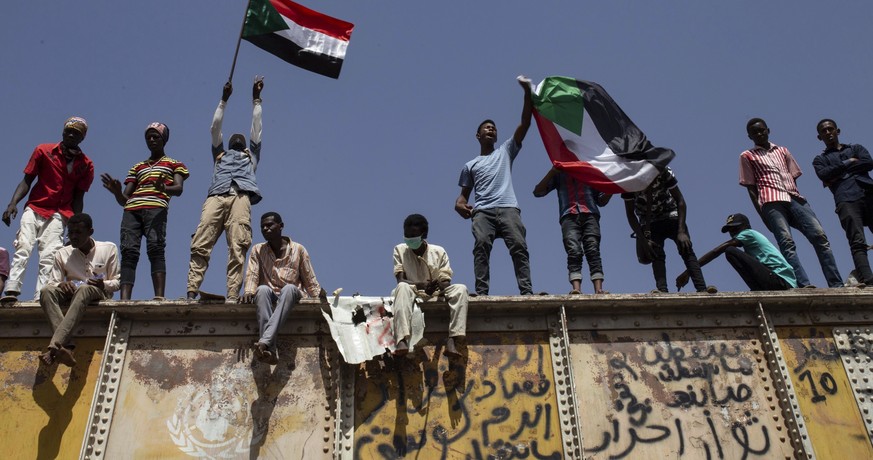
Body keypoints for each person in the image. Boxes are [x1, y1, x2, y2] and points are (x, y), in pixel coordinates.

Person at [455, 76, 534, 296]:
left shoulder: (506, 152)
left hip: (508, 207)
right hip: (483, 212)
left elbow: (525, 123)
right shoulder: (470, 165)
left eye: (494, 128)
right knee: (481, 247)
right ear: (478, 135)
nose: (491, 130)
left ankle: (527, 292)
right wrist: (460, 205)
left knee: (519, 247)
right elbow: (462, 197)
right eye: (487, 128)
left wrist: (527, 92)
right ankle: (482, 293)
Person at [740, 118, 842, 288]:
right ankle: (803, 284)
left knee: (820, 236)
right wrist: (762, 213)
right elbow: (751, 188)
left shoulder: (783, 150)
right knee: (787, 243)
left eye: (762, 130)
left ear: (768, 130)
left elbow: (792, 175)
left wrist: (795, 197)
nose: (759, 134)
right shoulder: (747, 156)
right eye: (755, 132)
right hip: (771, 200)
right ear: (749, 136)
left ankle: (836, 283)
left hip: (794, 197)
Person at [188, 79, 264, 302]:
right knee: (202, 241)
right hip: (216, 196)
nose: (239, 139)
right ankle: (192, 290)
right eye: (234, 139)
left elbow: (257, 127)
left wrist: (256, 100)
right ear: (228, 143)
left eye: (241, 139)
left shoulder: (251, 156)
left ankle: (232, 294)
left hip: (240, 197)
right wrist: (224, 100)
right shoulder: (219, 155)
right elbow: (215, 127)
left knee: (237, 246)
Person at [2, 117, 95, 301]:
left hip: (60, 215)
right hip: (36, 207)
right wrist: (13, 203)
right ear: (62, 132)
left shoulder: (85, 165)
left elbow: (78, 197)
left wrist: (75, 227)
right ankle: (12, 289)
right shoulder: (44, 151)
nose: (70, 135)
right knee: (23, 247)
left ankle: (40, 296)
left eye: (76, 133)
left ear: (82, 138)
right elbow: (27, 180)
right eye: (68, 131)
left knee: (50, 256)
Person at [101, 122, 188, 300]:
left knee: (155, 248)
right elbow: (125, 199)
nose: (151, 139)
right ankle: (124, 299)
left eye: (155, 136)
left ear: (163, 139)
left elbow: (178, 189)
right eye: (148, 137)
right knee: (128, 252)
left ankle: (159, 296)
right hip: (131, 210)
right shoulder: (138, 167)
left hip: (156, 208)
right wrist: (117, 192)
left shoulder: (174, 164)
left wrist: (163, 187)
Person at [241, 212, 325, 364]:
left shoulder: (298, 249)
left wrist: (320, 298)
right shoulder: (258, 250)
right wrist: (248, 291)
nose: (265, 229)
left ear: (281, 226)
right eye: (262, 227)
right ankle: (268, 349)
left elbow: (309, 278)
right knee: (262, 290)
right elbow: (252, 274)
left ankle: (264, 341)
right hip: (271, 294)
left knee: (289, 288)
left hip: (292, 295)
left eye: (269, 225)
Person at [38, 213, 120, 366]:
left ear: (90, 232)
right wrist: (61, 285)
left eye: (78, 233)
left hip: (98, 292)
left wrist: (103, 284)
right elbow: (52, 282)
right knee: (45, 292)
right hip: (72, 294)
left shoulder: (109, 249)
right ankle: (66, 346)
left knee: (84, 288)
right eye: (70, 233)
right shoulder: (63, 253)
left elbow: (117, 282)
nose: (73, 237)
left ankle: (53, 349)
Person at [623, 167, 715, 293]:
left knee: (686, 248)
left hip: (671, 214)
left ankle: (702, 289)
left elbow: (680, 200)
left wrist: (681, 231)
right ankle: (662, 290)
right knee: (656, 253)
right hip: (649, 222)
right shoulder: (627, 180)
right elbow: (630, 214)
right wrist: (644, 240)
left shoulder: (663, 170)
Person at [392, 214, 469, 356]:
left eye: (413, 236)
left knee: (461, 289)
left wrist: (438, 285)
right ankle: (401, 340)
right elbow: (401, 279)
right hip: (412, 291)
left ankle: (452, 339)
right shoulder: (399, 250)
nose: (409, 240)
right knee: (401, 287)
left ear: (424, 235)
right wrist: (421, 285)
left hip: (436, 292)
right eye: (407, 236)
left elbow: (446, 281)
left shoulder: (439, 251)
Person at [812, 119, 873, 286]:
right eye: (824, 131)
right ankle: (869, 280)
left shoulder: (856, 148)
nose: (828, 133)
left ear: (837, 131)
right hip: (846, 199)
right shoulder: (819, 160)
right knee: (857, 241)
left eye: (830, 129)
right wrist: (849, 162)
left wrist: (838, 174)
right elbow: (824, 174)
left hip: (868, 193)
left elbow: (868, 162)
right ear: (819, 137)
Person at [533, 167, 611, 294]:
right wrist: (552, 172)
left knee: (593, 249)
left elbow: (601, 200)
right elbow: (538, 191)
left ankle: (599, 289)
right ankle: (576, 290)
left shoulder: (589, 170)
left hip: (589, 213)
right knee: (574, 251)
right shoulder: (559, 172)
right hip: (569, 215)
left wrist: (612, 189)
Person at [678, 213, 797, 291]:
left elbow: (716, 251)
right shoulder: (751, 244)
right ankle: (757, 290)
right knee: (735, 253)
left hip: (781, 281)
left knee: (730, 251)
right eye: (730, 230)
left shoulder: (749, 233)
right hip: (778, 281)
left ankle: (757, 290)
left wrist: (689, 271)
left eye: (736, 228)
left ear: (746, 226)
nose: (733, 232)